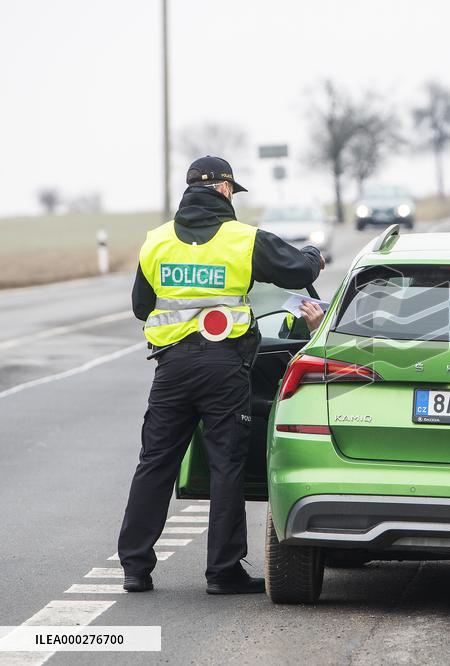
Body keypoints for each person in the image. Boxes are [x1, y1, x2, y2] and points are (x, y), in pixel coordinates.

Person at [119, 156, 324, 594]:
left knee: (155, 463)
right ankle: (223, 571)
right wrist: (312, 254)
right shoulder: (242, 239)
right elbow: (300, 271)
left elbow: (142, 306)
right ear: (225, 189)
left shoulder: (156, 242)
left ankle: (135, 567)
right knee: (226, 464)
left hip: (171, 367)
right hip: (224, 367)